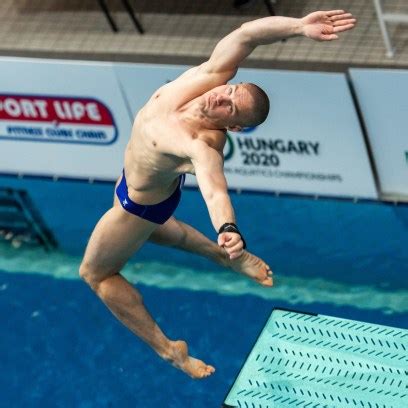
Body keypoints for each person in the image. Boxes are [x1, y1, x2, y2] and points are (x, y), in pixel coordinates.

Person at [79, 10, 356, 379]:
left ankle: (170, 351)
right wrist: (299, 26)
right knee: (157, 230)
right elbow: (246, 35)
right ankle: (222, 258)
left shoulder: (203, 144)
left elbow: (214, 190)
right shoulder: (207, 79)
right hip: (142, 187)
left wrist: (229, 228)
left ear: (235, 126)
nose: (219, 100)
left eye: (229, 108)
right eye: (228, 92)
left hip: (138, 204)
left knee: (97, 275)